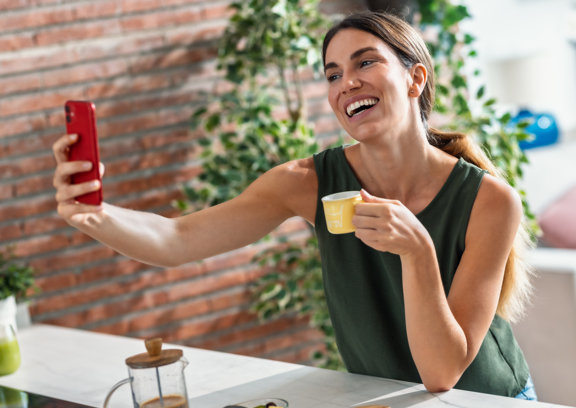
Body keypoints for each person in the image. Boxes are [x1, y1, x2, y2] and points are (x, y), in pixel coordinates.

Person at [52, 11, 536, 400]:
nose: (347, 82)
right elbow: (178, 239)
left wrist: (417, 251)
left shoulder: (489, 200)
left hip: (488, 397)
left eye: (365, 63)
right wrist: (94, 215)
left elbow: (443, 374)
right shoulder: (307, 183)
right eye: (333, 73)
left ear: (415, 79)